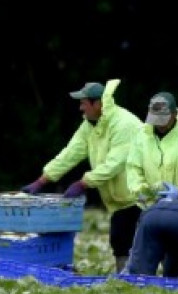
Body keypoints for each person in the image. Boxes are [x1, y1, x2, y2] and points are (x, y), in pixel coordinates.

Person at [20, 80, 143, 272]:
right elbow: (71, 153)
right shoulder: (89, 125)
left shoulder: (125, 124)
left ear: (97, 104)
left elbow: (114, 164)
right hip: (119, 199)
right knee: (120, 240)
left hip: (141, 195)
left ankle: (166, 282)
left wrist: (83, 183)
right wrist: (43, 180)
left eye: (83, 103)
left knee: (147, 243)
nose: (80, 108)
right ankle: (128, 282)